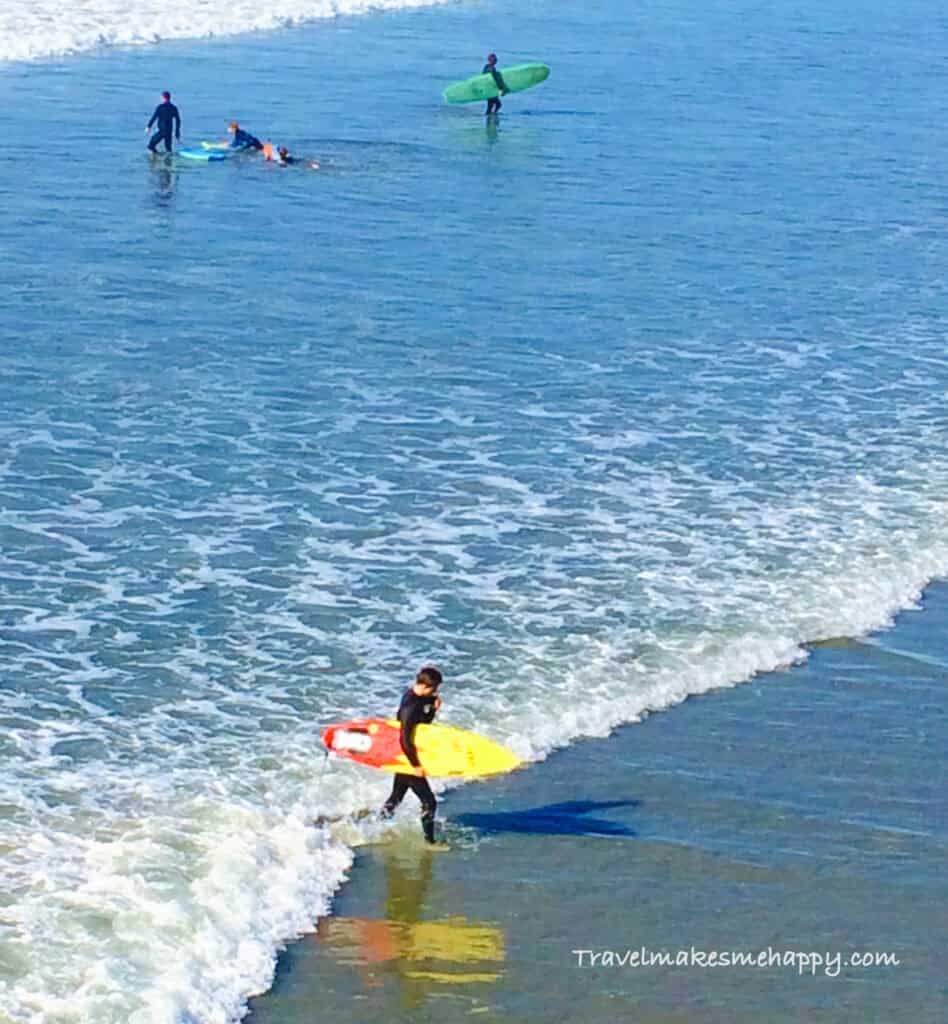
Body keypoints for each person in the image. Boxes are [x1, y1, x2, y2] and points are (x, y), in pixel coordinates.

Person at [380, 666, 443, 844]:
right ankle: (430, 842)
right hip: (408, 756)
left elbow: (422, 727)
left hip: (404, 756)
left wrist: (432, 709)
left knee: (396, 797)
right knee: (429, 802)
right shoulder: (411, 707)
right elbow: (405, 739)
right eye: (434, 688)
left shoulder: (416, 696)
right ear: (423, 686)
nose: (436, 692)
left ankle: (376, 828)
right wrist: (415, 765)